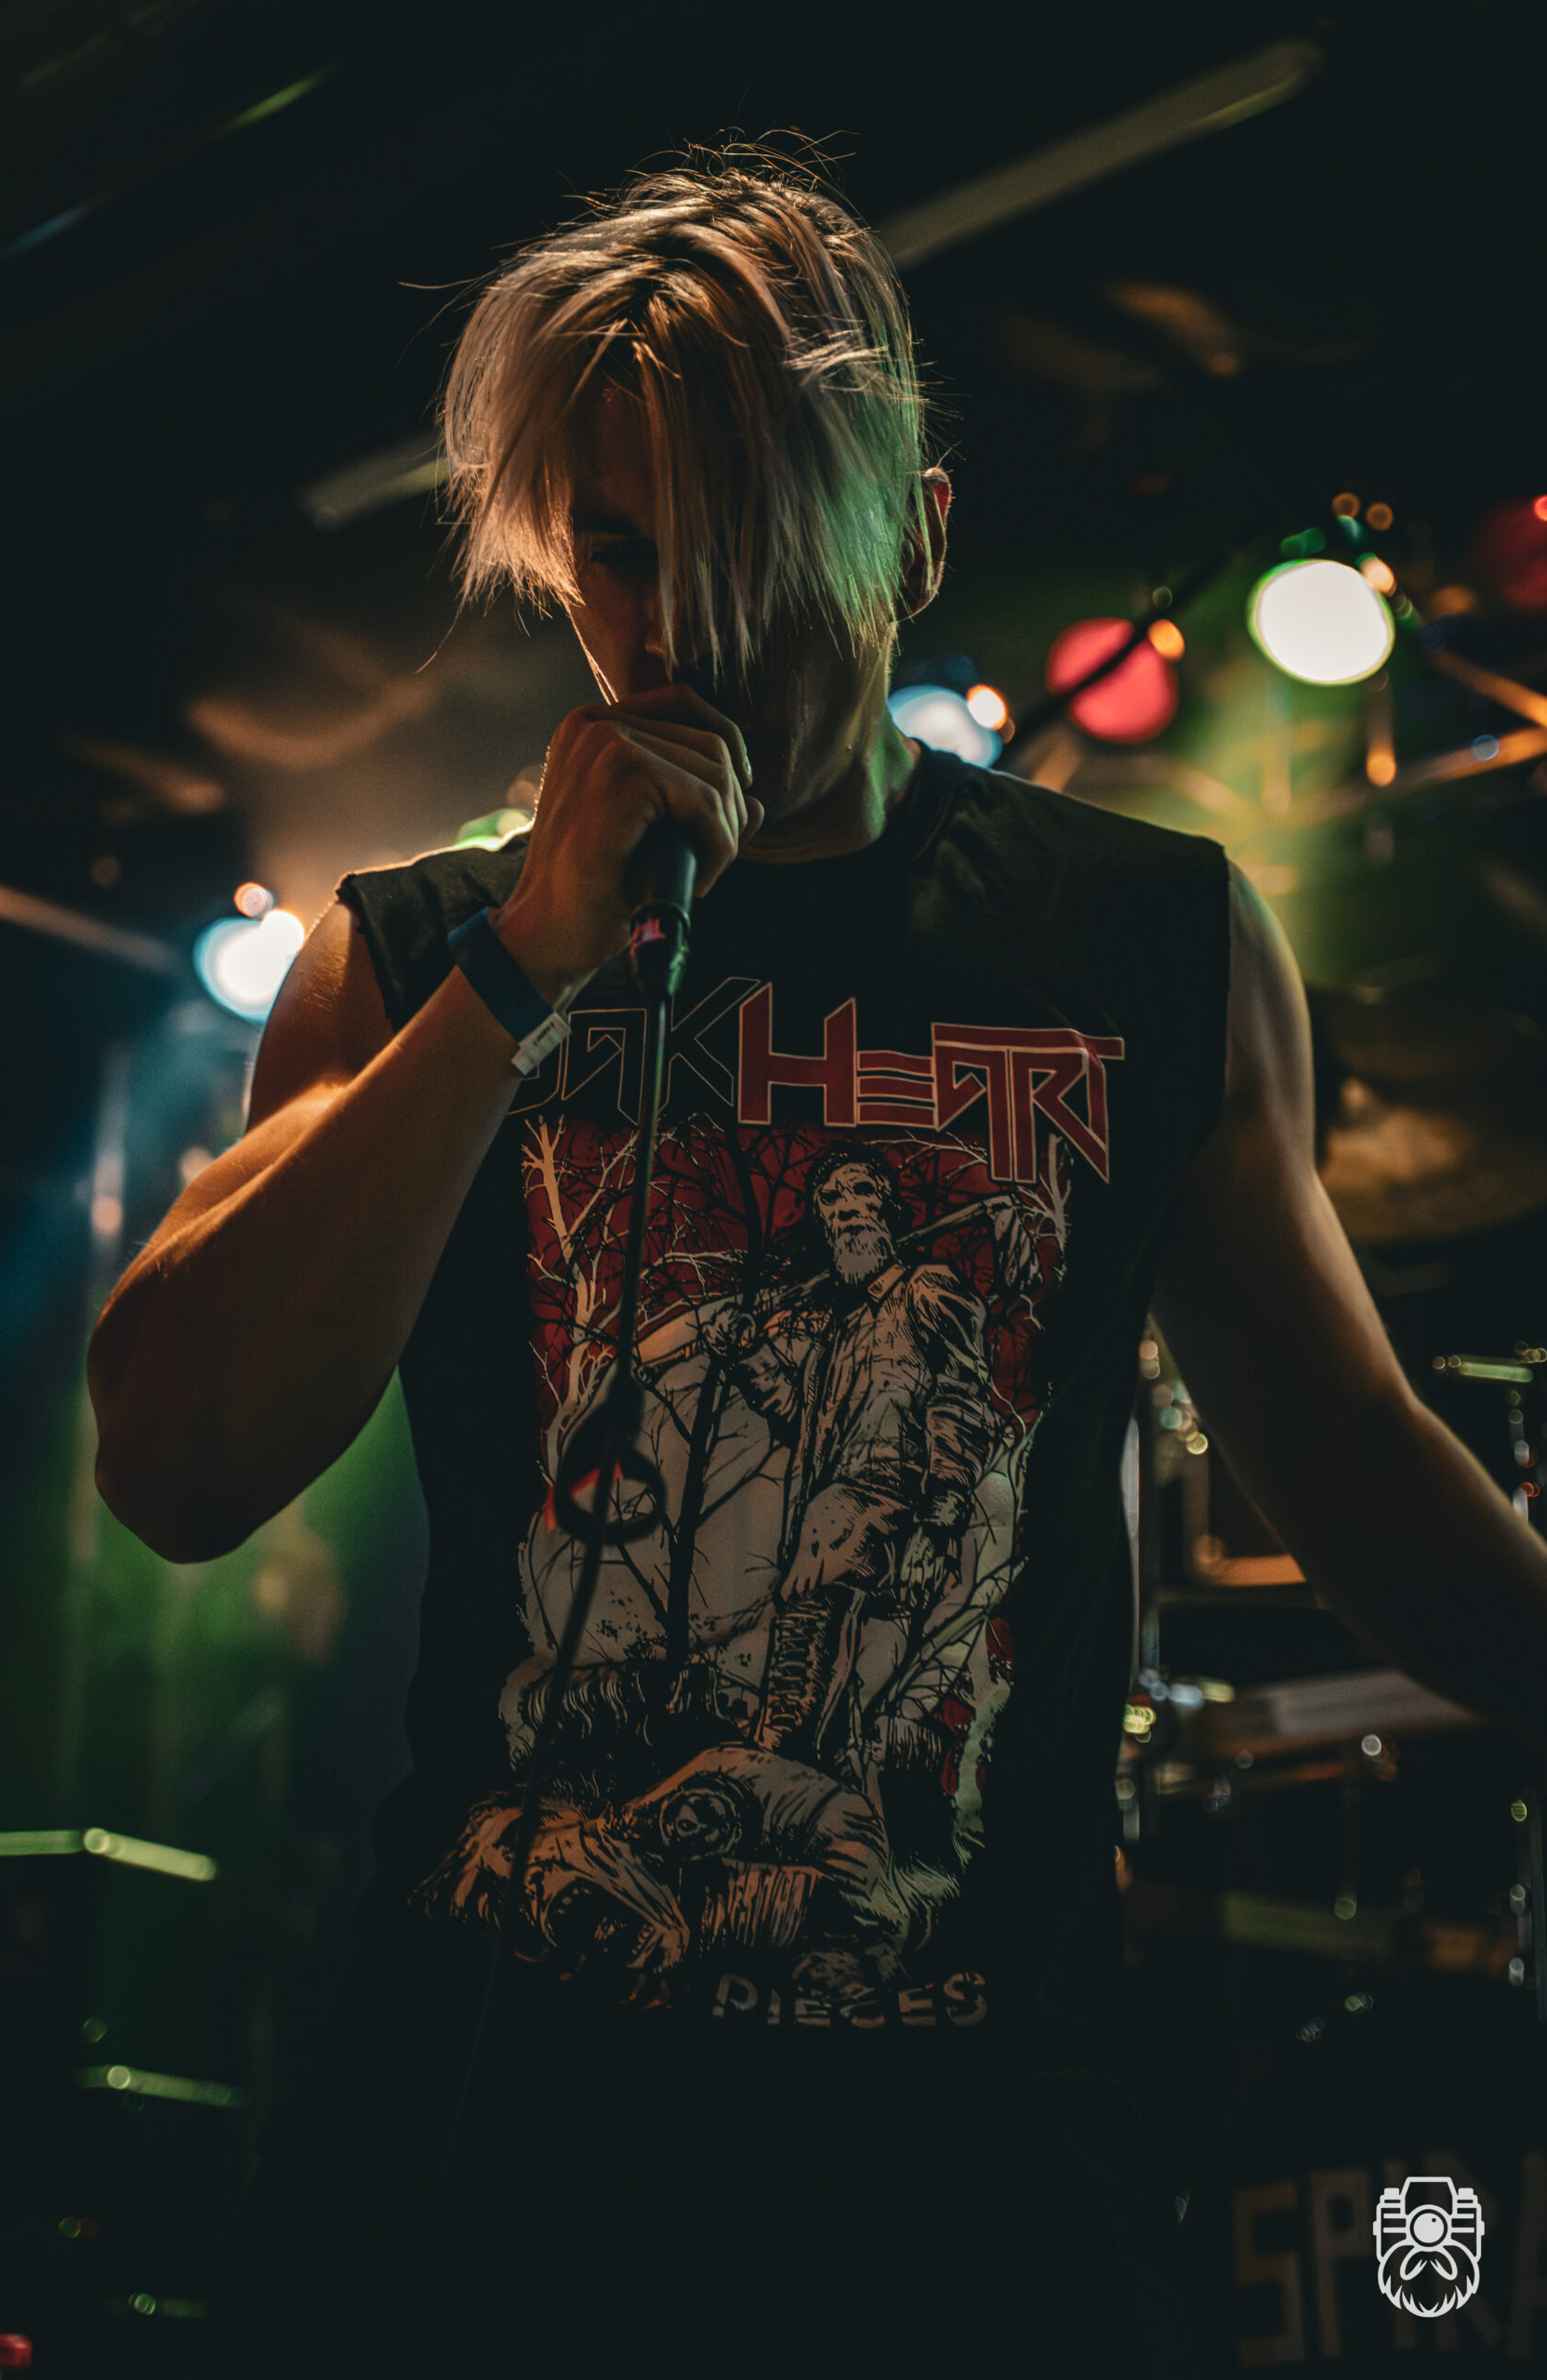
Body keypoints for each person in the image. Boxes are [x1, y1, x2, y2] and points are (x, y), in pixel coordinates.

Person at [88, 147, 1547, 2374]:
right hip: (489, 2124)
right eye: (621, 552)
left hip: (961, 2148)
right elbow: (177, 1460)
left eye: (753, 544)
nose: (682, 626)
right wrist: (519, 973)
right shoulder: (411, 955)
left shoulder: (1139, 943)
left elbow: (1343, 1450)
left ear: (915, 537)